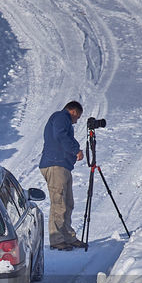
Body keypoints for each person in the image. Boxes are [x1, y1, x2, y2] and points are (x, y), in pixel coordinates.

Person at [39, 100, 86, 250]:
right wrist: (75, 149)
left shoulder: (62, 119)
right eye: (77, 117)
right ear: (73, 111)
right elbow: (60, 135)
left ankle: (68, 237)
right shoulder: (61, 117)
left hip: (62, 165)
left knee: (68, 203)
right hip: (55, 164)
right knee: (59, 203)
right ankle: (56, 239)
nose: (76, 121)